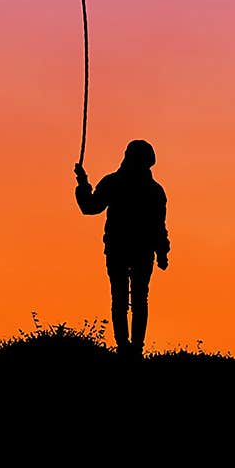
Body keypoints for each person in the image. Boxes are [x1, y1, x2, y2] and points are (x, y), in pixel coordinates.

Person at [74, 139, 170, 359]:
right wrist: (162, 252)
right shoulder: (155, 190)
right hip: (141, 250)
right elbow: (159, 226)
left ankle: (125, 348)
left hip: (118, 248)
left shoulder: (114, 183)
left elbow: (89, 207)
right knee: (138, 299)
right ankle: (135, 348)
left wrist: (83, 183)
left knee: (120, 298)